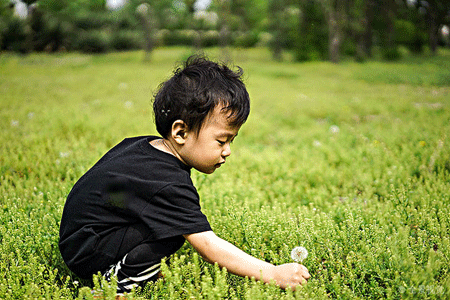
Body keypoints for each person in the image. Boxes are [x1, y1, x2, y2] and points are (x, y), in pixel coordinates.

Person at [59, 55, 310, 295]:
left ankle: (132, 265)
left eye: (231, 141)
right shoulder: (167, 182)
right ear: (180, 132)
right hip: (89, 252)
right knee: (172, 234)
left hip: (79, 239)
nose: (228, 152)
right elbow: (208, 246)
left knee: (169, 224)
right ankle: (116, 282)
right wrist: (272, 273)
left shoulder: (141, 146)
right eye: (221, 141)